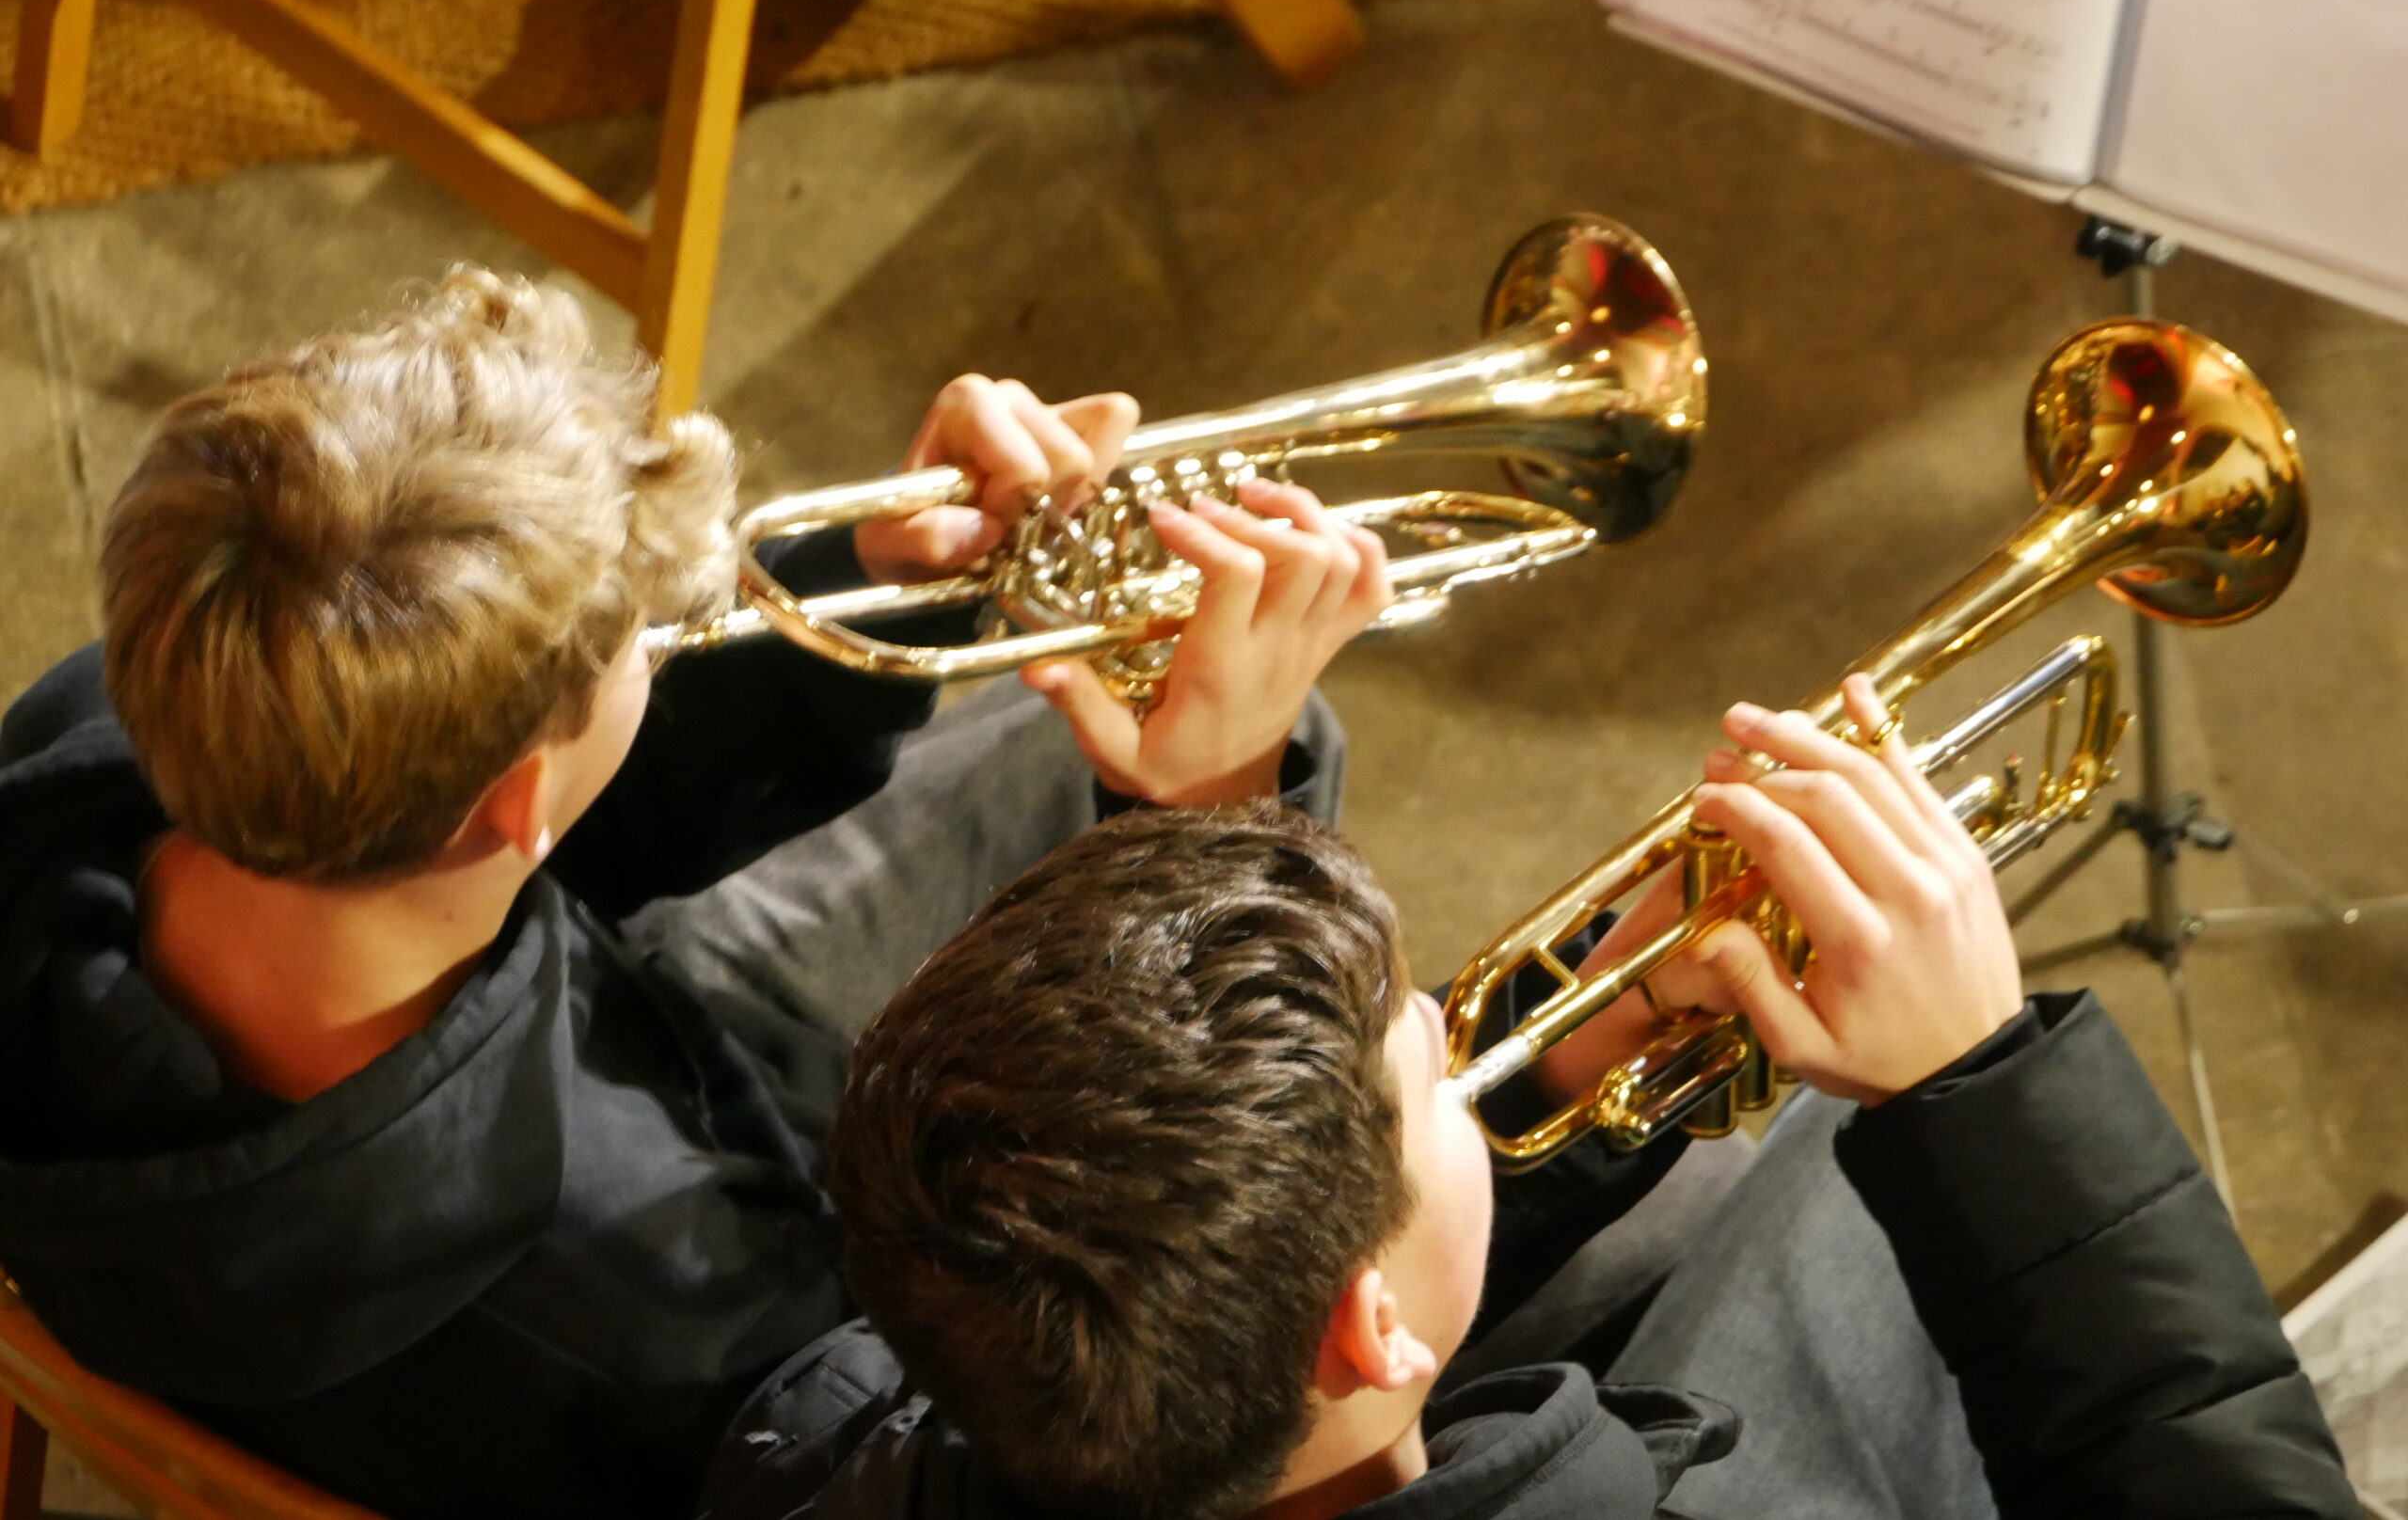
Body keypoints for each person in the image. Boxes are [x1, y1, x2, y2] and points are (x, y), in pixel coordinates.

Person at [0, 267, 1391, 1520]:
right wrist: (1216, 821)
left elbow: (522, 809)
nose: (674, 639)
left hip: (572, 1080)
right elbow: (1057, 1417)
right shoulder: (687, 1315)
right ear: (519, 801)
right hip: (766, 1259)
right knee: (1263, 762)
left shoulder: (144, 715)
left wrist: (876, 583)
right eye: (645, 645)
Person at [700, 676, 2357, 1520]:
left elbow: (1272, 1273)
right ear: (1372, 1331)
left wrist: (1576, 1053)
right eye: (1429, 1070)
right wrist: (1990, 1095)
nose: (1448, 1025)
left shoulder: (880, 1416)